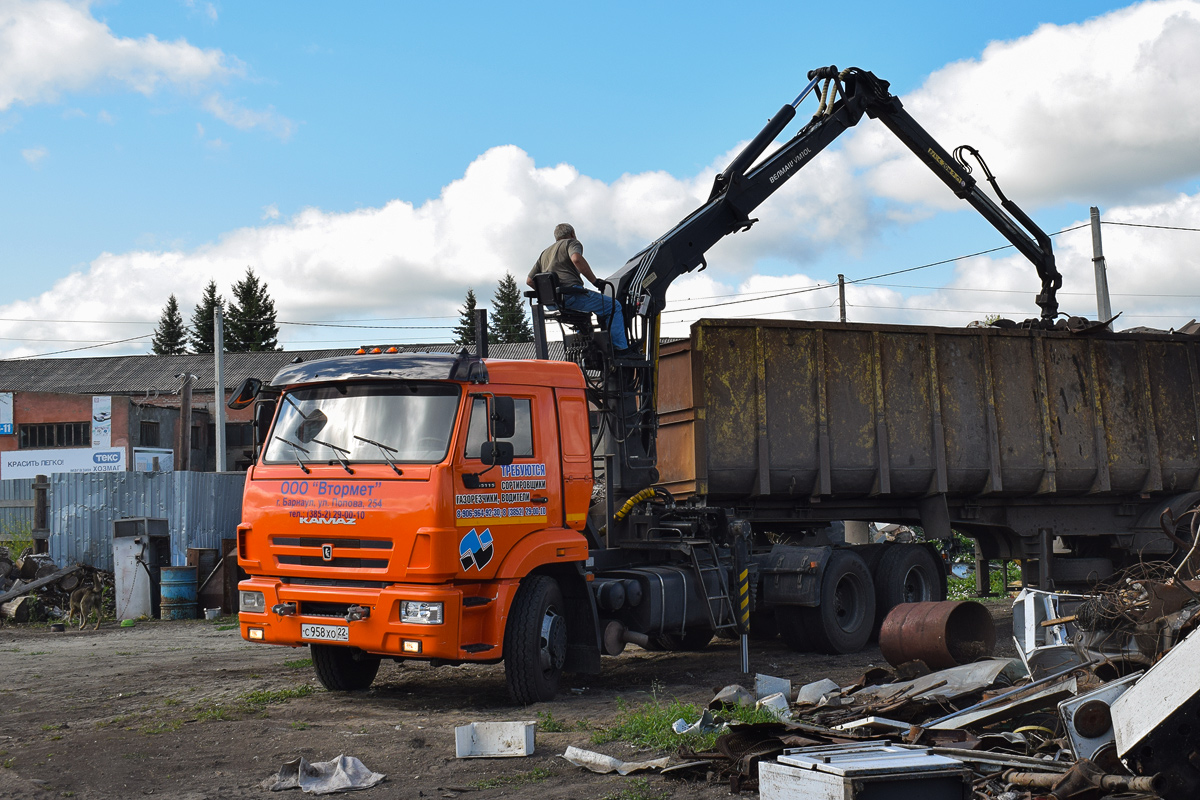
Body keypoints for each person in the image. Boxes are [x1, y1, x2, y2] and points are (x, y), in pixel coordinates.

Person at [527, 223, 631, 353]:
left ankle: (582, 344)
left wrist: (551, 293)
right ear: (572, 234)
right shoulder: (571, 243)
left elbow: (530, 280)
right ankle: (620, 349)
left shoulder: (545, 253)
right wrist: (595, 281)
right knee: (613, 306)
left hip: (554, 303)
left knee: (581, 317)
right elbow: (576, 259)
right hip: (572, 296)